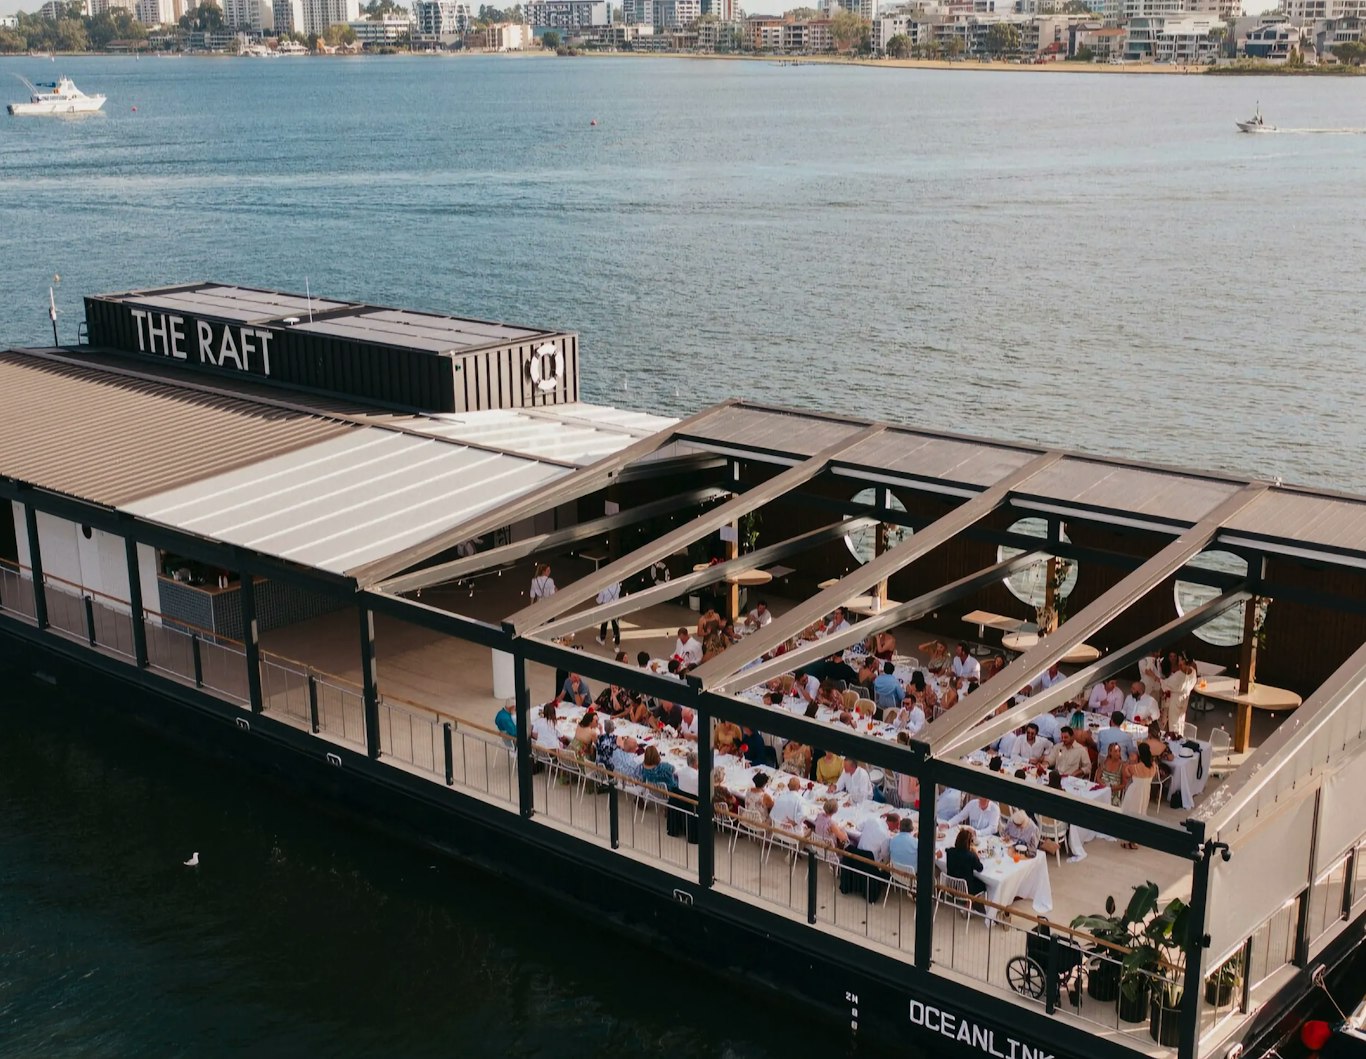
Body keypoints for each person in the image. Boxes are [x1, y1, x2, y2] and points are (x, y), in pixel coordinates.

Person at [1119, 743, 1159, 845]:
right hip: (1145, 791)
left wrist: (1130, 762)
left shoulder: (1135, 767)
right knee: (1141, 813)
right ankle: (1136, 838)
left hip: (1135, 791)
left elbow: (1126, 774)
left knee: (1131, 813)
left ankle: (1130, 838)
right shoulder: (1154, 766)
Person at [944, 827, 986, 897]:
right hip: (966, 889)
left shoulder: (950, 851)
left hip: (951, 885)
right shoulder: (971, 856)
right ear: (969, 843)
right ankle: (973, 901)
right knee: (983, 885)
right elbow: (980, 868)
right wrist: (976, 855)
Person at [1162, 655, 1198, 733]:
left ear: (1184, 661)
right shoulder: (1193, 671)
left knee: (1174, 721)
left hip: (1176, 699)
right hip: (1186, 697)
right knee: (1181, 719)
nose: (1179, 662)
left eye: (1180, 660)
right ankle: (1180, 735)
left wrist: (1156, 678)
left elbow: (1166, 683)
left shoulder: (1179, 675)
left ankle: (1174, 737)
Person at [1097, 741, 1128, 807]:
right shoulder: (1104, 762)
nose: (1118, 753)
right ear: (1110, 752)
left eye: (1119, 751)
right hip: (1102, 791)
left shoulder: (1122, 766)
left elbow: (1124, 784)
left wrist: (1112, 788)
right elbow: (1098, 777)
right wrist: (1102, 785)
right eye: (1115, 751)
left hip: (1114, 794)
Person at [595, 581, 622, 645]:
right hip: (615, 607)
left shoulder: (603, 588)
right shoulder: (617, 585)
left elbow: (599, 601)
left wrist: (596, 597)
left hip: (606, 607)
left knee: (604, 624)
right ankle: (617, 644)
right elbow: (618, 594)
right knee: (615, 625)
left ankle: (602, 639)